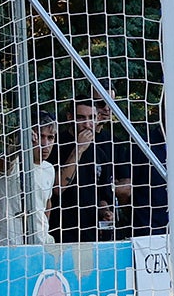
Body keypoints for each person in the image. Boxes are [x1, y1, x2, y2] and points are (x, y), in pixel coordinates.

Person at [50, 99, 122, 243]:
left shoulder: (100, 153)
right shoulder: (54, 145)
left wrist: (105, 212)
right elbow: (57, 188)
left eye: (91, 118)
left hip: (90, 234)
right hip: (60, 233)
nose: (87, 124)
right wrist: (79, 149)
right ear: (70, 117)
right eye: (81, 118)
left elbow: (103, 194)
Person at [0, 109, 57, 245]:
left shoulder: (49, 169)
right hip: (12, 246)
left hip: (41, 245)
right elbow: (4, 163)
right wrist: (19, 142)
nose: (45, 144)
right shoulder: (14, 163)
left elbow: (47, 204)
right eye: (40, 136)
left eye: (50, 137)